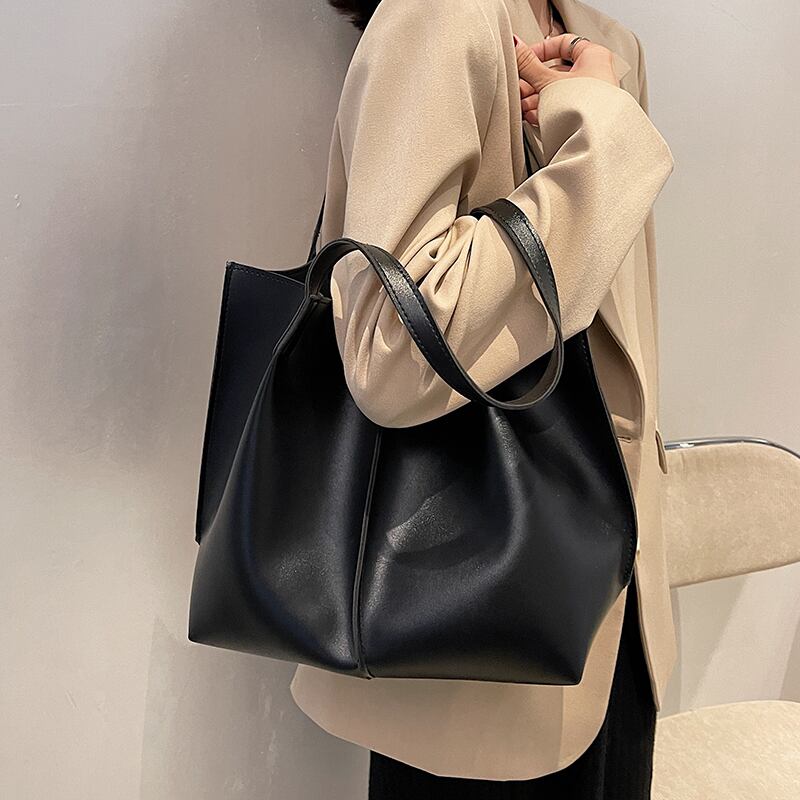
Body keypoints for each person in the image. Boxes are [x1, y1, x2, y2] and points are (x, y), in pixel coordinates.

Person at [289, 0, 677, 797]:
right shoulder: (439, 13)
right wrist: (598, 133)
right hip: (471, 640)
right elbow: (392, 352)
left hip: (620, 617)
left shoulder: (610, 44)